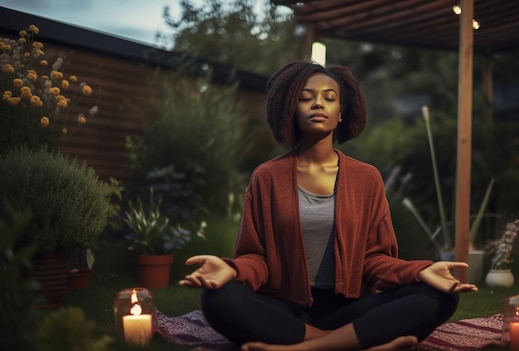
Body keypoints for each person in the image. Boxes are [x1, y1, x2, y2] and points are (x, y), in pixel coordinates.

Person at [180, 61, 478, 351]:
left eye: (329, 98)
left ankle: (306, 346)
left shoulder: (367, 177)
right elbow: (256, 259)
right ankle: (351, 342)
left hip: (350, 309)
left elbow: (375, 261)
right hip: (286, 309)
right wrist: (230, 269)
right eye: (305, 98)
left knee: (440, 295)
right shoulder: (266, 176)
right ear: (290, 110)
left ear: (341, 113)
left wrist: (421, 272)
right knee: (217, 299)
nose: (318, 104)